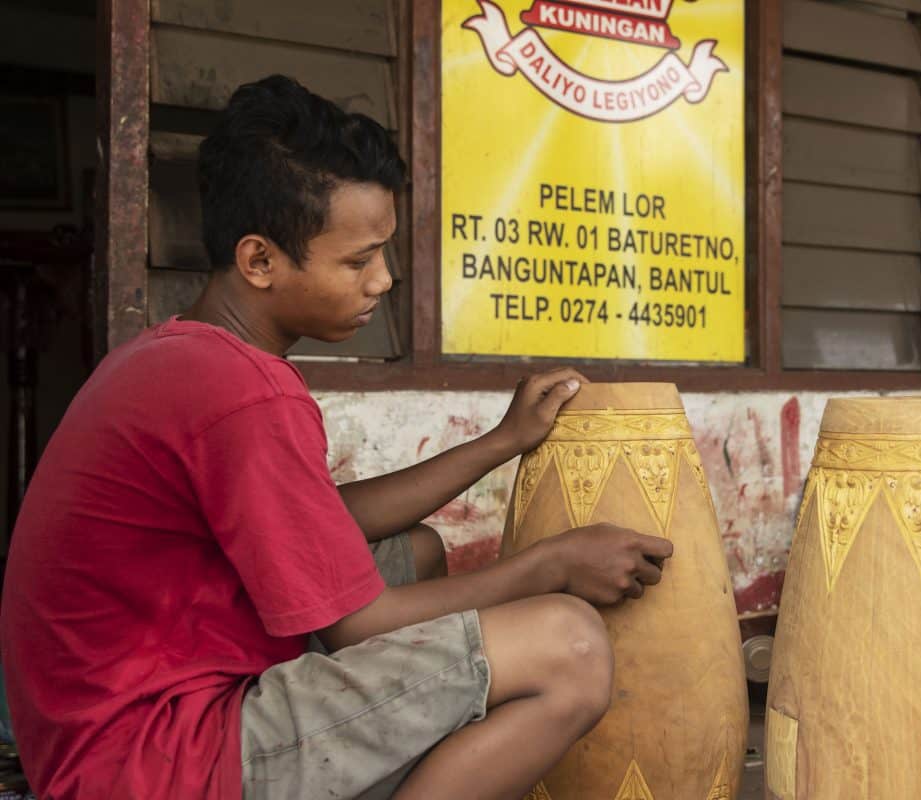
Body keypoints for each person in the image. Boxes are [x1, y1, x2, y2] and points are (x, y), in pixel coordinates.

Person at [0, 75, 672, 800]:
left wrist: (502, 440)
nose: (382, 280)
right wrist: (553, 565)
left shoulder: (181, 355)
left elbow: (322, 524)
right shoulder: (239, 392)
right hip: (154, 758)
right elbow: (360, 626)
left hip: (98, 728)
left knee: (415, 552)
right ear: (259, 261)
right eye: (357, 260)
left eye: (382, 252)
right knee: (568, 647)